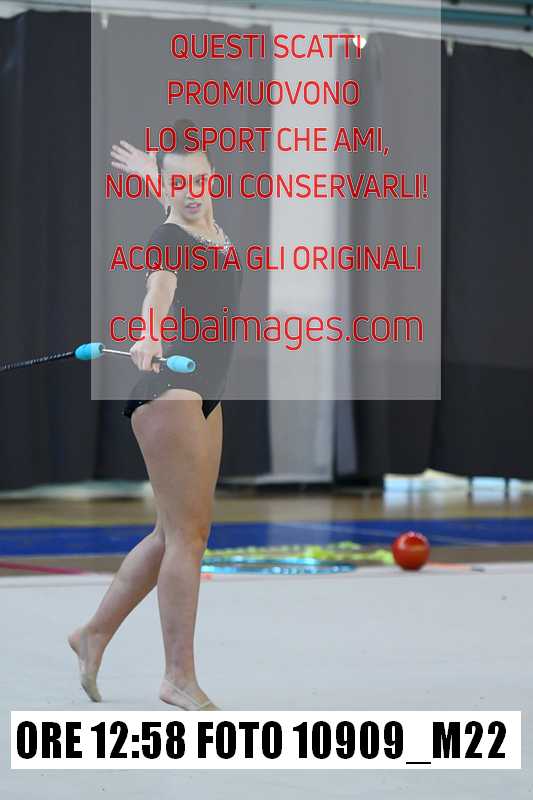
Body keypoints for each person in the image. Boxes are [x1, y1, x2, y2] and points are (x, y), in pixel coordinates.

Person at [68, 119, 242, 711]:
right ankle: (177, 677)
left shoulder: (202, 223)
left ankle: (93, 635)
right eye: (177, 183)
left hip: (205, 390)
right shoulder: (167, 237)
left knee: (174, 534)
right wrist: (149, 332)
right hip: (173, 388)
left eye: (198, 178)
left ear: (211, 176)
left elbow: (183, 209)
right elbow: (159, 287)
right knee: (188, 539)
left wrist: (158, 174)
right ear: (168, 188)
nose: (191, 191)